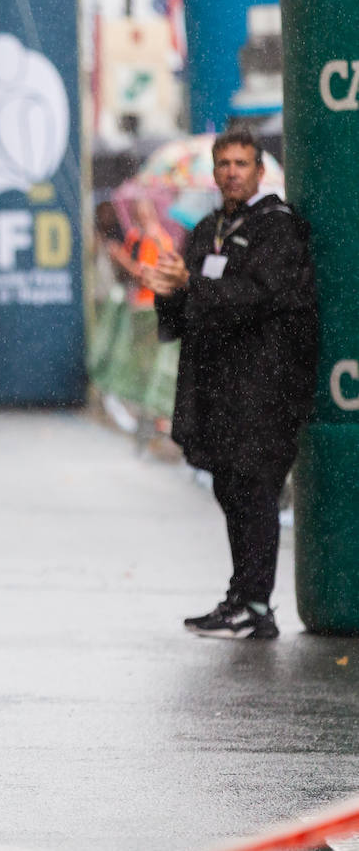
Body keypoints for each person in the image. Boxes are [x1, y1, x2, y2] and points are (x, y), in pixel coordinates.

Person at [143, 127, 317, 640]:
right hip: (216, 390)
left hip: (265, 389)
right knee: (230, 489)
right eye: (224, 164)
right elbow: (186, 309)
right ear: (213, 171)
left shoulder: (278, 229)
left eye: (242, 164)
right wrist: (168, 292)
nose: (232, 173)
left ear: (260, 172)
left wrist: (191, 284)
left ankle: (257, 606)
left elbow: (256, 295)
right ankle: (240, 596)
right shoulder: (206, 229)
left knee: (256, 490)